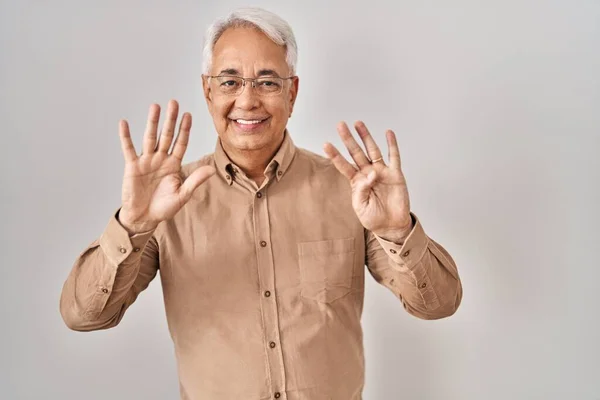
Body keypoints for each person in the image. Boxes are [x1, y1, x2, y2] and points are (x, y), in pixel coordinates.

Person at [59, 6, 462, 400]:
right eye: (230, 81)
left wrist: (398, 231)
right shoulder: (168, 201)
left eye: (267, 82)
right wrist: (132, 226)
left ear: (293, 91)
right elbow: (84, 317)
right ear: (207, 90)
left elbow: (438, 305)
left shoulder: (350, 190)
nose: (247, 100)